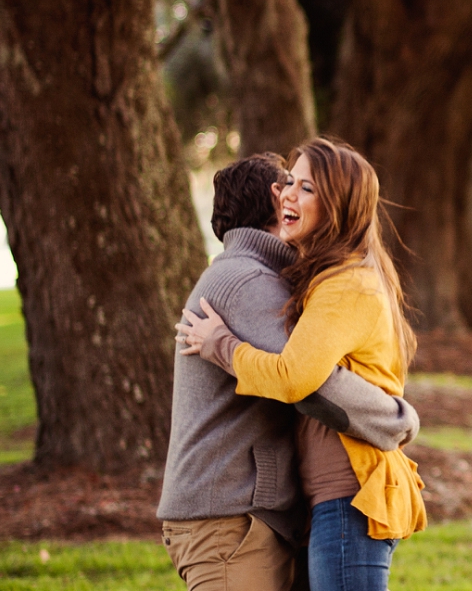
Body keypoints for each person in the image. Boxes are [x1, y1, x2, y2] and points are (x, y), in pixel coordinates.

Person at [158, 152, 421, 591]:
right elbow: (307, 382)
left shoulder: (268, 276)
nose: (292, 196)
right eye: (289, 185)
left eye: (305, 187)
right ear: (274, 200)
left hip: (246, 515)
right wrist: (397, 418)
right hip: (228, 518)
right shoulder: (250, 282)